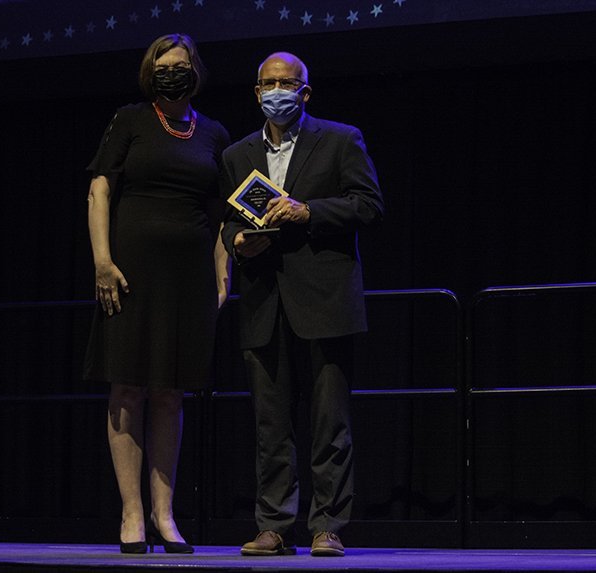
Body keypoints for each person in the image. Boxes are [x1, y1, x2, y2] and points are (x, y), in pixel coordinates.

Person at [220, 52, 384, 557]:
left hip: (325, 300)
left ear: (305, 92)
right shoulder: (236, 154)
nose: (277, 91)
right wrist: (238, 243)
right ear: (256, 92)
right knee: (271, 423)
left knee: (328, 420)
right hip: (265, 303)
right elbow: (228, 223)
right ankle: (273, 525)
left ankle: (327, 525)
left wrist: (308, 210)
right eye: (268, 83)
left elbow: (369, 204)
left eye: (287, 83)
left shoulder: (340, 139)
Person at [84, 33, 230, 554]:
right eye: (163, 66)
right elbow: (100, 189)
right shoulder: (130, 120)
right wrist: (103, 262)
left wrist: (222, 272)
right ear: (150, 72)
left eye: (182, 65)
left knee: (171, 391)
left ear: (196, 72)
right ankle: (131, 516)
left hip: (188, 278)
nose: (174, 72)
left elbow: (220, 215)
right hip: (130, 273)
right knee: (127, 388)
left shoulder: (213, 133)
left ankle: (165, 516)